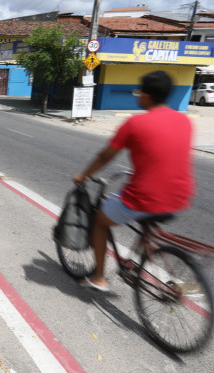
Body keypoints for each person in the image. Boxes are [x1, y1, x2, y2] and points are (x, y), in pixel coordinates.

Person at [72, 70, 195, 291]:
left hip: (144, 197)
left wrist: (83, 175)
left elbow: (105, 156)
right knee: (146, 215)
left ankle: (99, 277)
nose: (137, 96)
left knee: (99, 221)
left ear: (147, 96)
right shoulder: (184, 120)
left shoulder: (135, 123)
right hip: (180, 196)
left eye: (139, 92)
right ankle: (148, 249)